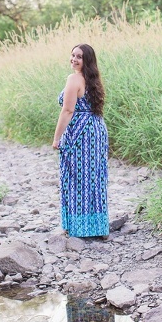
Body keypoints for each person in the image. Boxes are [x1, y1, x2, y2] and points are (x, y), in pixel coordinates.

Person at [52, 43, 110, 239]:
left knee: (77, 177)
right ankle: (97, 226)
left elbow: (68, 110)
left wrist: (57, 137)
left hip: (81, 133)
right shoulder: (93, 79)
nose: (74, 59)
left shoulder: (74, 79)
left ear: (87, 60)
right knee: (93, 178)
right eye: (73, 55)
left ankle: (79, 227)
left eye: (79, 57)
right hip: (97, 129)